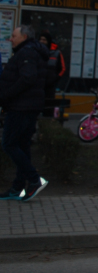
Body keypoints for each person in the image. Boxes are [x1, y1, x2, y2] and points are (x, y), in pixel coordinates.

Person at [0, 25, 49, 202]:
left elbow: (27, 78)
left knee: (9, 144)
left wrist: (5, 96)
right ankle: (18, 187)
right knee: (22, 146)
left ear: (24, 36)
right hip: (28, 106)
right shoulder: (30, 51)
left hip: (21, 107)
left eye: (14, 36)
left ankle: (34, 180)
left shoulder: (27, 53)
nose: (10, 39)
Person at [38, 31, 65, 118]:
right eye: (40, 39)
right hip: (37, 85)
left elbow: (62, 68)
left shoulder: (56, 53)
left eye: (44, 40)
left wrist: (54, 79)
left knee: (48, 109)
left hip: (50, 86)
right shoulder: (36, 52)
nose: (42, 41)